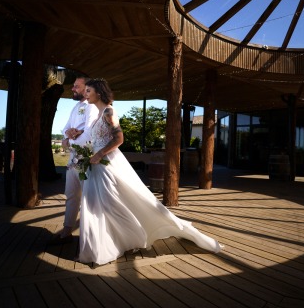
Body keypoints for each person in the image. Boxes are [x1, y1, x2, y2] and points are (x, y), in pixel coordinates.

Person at [77, 78, 223, 265]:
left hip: (105, 163)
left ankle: (133, 234)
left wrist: (99, 154)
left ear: (98, 92)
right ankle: (99, 244)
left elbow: (119, 138)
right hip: (95, 164)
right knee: (95, 203)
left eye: (88, 91)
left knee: (109, 202)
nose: (85, 94)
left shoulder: (109, 111)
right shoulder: (98, 115)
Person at [50, 76, 99, 244]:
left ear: (87, 89)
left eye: (76, 86)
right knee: (71, 195)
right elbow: (65, 129)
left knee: (88, 198)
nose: (73, 89)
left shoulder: (92, 107)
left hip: (87, 160)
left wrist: (68, 141)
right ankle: (67, 230)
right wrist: (68, 134)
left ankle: (89, 236)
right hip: (73, 160)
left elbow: (88, 135)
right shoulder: (76, 107)